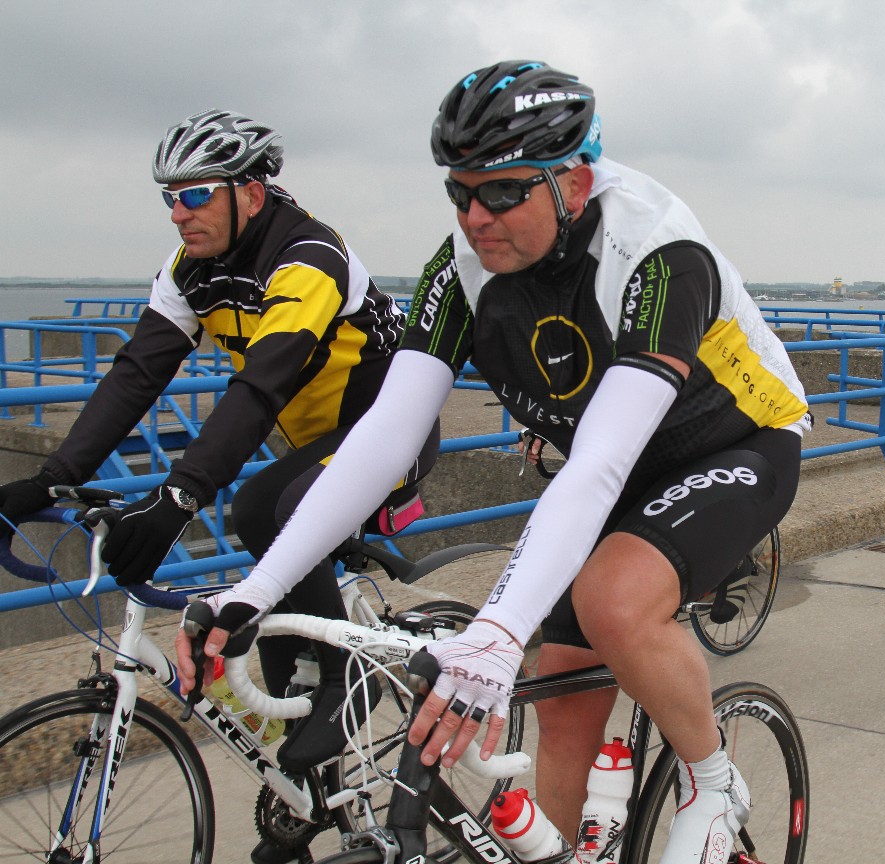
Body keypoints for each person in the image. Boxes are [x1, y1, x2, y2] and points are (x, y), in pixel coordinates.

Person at [175, 61, 810, 862]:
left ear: (574, 183)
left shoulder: (658, 252)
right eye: (460, 192)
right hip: (614, 463)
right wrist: (256, 589)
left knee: (614, 603)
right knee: (566, 708)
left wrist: (498, 634)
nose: (476, 217)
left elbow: (599, 464)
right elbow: (386, 435)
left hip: (734, 443)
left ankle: (713, 779)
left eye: (503, 192)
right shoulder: (462, 267)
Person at [0, 109, 437, 863]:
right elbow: (138, 372)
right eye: (169, 197)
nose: (179, 212)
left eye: (196, 194)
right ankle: (308, 799)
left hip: (391, 434)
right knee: (270, 606)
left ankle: (344, 688)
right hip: (317, 445)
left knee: (266, 508)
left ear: (251, 194)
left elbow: (260, 388)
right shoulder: (189, 268)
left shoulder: (309, 258)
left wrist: (178, 499)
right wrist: (51, 479)